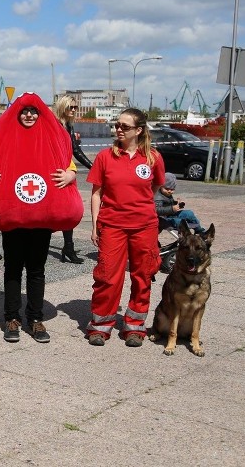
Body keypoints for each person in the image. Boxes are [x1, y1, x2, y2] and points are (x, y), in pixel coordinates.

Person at [0, 93, 80, 344]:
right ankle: (11, 318)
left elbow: (67, 161)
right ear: (17, 113)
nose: (29, 115)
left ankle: (35, 318)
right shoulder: (4, 135)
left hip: (40, 217)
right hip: (14, 215)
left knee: (36, 270)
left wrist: (70, 175)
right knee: (12, 268)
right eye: (25, 111)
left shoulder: (53, 135)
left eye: (34, 111)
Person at [86, 108, 165, 347]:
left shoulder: (153, 158)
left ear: (139, 130)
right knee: (108, 276)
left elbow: (155, 188)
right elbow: (96, 193)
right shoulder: (105, 157)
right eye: (117, 125)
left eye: (124, 126)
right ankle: (100, 326)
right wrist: (95, 225)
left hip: (144, 227)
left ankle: (134, 326)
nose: (118, 129)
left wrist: (138, 206)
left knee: (143, 276)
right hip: (112, 226)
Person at [52, 96, 92, 264]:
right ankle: (34, 248)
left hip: (66, 172)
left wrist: (94, 167)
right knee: (50, 211)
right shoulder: (53, 124)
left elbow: (75, 150)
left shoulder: (68, 125)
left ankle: (68, 247)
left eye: (76, 107)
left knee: (67, 210)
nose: (74, 110)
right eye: (71, 107)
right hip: (54, 173)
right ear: (63, 107)